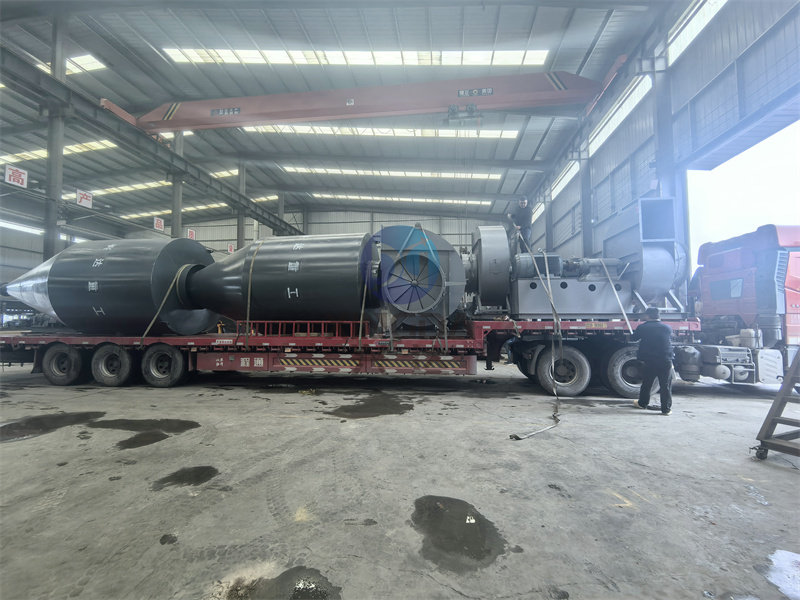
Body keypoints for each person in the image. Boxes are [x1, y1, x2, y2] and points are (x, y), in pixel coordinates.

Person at [630, 306, 674, 415]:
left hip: (650, 360)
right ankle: (666, 409)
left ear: (647, 316)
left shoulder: (643, 327)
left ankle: (642, 403)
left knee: (647, 383)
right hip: (665, 360)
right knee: (665, 385)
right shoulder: (667, 328)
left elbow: (633, 338)